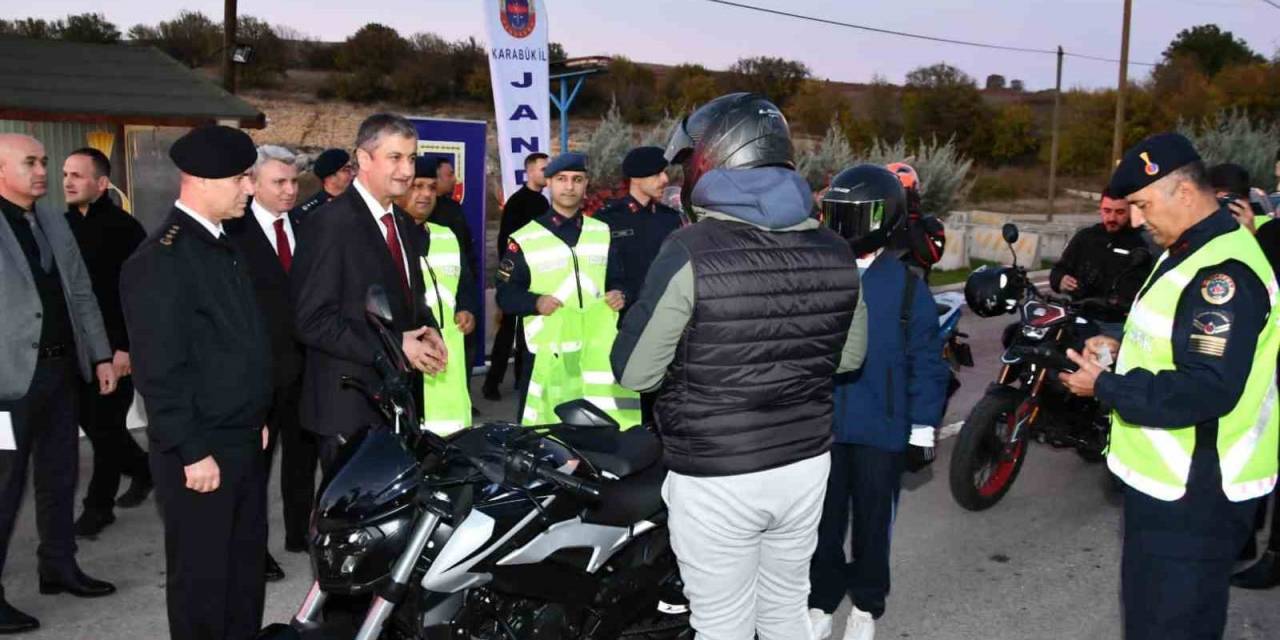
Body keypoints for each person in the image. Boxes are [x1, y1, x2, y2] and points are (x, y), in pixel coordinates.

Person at [611, 93, 867, 640]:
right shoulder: (836, 249)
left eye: (686, 163)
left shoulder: (689, 248)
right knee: (783, 614)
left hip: (716, 472)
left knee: (722, 626)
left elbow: (635, 372)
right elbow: (849, 357)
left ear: (712, 156)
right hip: (803, 463)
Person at [1059, 133, 1279, 640]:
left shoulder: (1221, 274)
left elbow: (1205, 389)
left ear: (1183, 191)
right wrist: (1117, 352)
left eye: (1141, 204)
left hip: (1195, 492)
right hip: (1172, 485)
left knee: (1167, 626)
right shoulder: (1188, 245)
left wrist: (1107, 386)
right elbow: (1173, 345)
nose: (1135, 219)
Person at [121, 125, 273, 640]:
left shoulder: (221, 243)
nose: (249, 188)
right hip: (201, 450)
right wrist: (190, 450)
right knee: (203, 582)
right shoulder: (160, 259)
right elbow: (159, 370)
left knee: (244, 573)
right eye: (241, 178)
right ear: (201, 180)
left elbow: (238, 342)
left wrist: (257, 418)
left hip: (240, 437)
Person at [808, 165, 950, 640]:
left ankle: (867, 605)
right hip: (822, 429)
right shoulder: (819, 274)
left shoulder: (908, 286)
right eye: (837, 215)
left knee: (872, 526)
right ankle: (822, 599)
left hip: (881, 430)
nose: (843, 226)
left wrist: (922, 429)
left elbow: (927, 362)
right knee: (822, 527)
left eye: (854, 216)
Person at [0, 134, 117, 635]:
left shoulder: (51, 220)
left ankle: (59, 566)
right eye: (30, 162)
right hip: (6, 384)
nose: (43, 170)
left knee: (58, 476)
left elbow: (80, 289)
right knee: (2, 491)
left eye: (44, 162)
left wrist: (102, 354)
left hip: (60, 373)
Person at [291, 114, 446, 469]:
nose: (407, 170)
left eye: (411, 157)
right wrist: (396, 344)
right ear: (363, 159)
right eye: (395, 157)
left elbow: (408, 295)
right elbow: (312, 320)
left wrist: (428, 325)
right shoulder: (328, 224)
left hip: (393, 402)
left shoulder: (402, 222)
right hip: (347, 408)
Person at [225, 145, 318, 581]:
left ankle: (300, 532)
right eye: (279, 183)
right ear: (252, 184)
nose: (289, 191)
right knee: (253, 468)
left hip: (304, 368)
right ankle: (250, 548)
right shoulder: (232, 234)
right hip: (257, 373)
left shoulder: (306, 225)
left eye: (294, 182)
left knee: (302, 457)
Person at [496, 152, 635, 427]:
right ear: (548, 183)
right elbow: (505, 294)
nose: (569, 186)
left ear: (586, 185)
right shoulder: (525, 238)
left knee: (604, 433)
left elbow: (619, 279)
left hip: (597, 358)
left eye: (577, 179)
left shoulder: (602, 232)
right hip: (547, 358)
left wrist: (621, 294)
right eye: (561, 179)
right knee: (547, 437)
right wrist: (535, 302)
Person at [61, 147, 152, 538]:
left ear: (101, 184)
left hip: (116, 351)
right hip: (76, 352)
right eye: (65, 174)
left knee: (105, 428)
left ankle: (97, 508)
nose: (67, 181)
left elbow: (137, 297)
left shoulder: (125, 230)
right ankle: (146, 470)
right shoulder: (57, 227)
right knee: (100, 428)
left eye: (78, 175)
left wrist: (125, 350)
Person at [397, 156, 480, 434]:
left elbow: (466, 283)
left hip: (449, 355)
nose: (425, 194)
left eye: (432, 188)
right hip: (407, 357)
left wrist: (468, 309)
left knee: (450, 435)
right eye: (417, 186)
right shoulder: (388, 238)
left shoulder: (446, 235)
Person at [482, 152, 549, 401]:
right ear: (529, 172)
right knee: (507, 330)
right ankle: (492, 384)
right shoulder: (517, 202)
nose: (546, 173)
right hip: (516, 276)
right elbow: (506, 241)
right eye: (543, 169)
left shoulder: (543, 203)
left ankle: (523, 378)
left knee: (529, 330)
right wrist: (509, 275)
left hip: (537, 275)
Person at [594, 146, 686, 315]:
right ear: (636, 179)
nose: (665, 179)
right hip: (623, 317)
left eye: (665, 172)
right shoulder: (607, 220)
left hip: (666, 314)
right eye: (657, 174)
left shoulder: (671, 218)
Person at [1050, 188, 1153, 322]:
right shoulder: (1085, 237)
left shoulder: (1145, 242)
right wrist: (1061, 280)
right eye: (1107, 211)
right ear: (1100, 208)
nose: (1112, 218)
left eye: (1120, 212)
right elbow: (1059, 270)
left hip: (1120, 323)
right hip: (1080, 316)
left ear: (1131, 210)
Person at [292, 148, 352, 220]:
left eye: (352, 168)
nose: (353, 173)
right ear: (330, 177)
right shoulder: (311, 212)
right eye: (346, 170)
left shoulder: (358, 200)